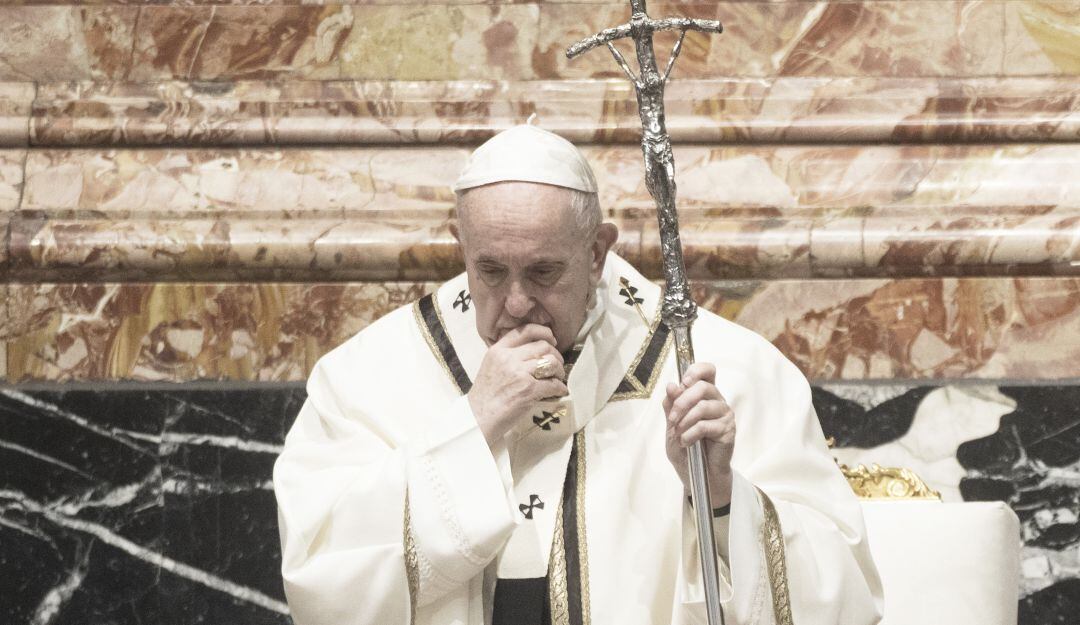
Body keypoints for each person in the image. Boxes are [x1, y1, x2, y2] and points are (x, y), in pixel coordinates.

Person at [273, 124, 883, 625]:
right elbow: (319, 575)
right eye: (489, 271)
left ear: (596, 252)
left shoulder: (722, 370)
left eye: (543, 273)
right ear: (459, 242)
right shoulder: (367, 377)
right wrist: (474, 424)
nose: (514, 303)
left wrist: (721, 494)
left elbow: (842, 595)